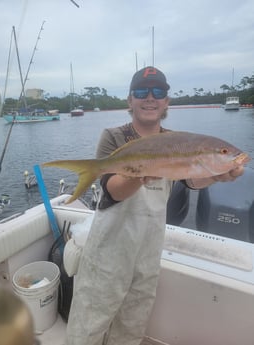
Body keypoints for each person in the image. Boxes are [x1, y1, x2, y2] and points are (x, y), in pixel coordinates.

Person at [66, 66, 244, 345]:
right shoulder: (113, 137)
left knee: (131, 326)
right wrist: (139, 176)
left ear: (167, 102)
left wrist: (216, 175)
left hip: (148, 251)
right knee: (88, 323)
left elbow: (191, 181)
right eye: (141, 92)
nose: (150, 98)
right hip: (109, 250)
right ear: (130, 100)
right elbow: (112, 190)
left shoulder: (178, 141)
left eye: (158, 92)